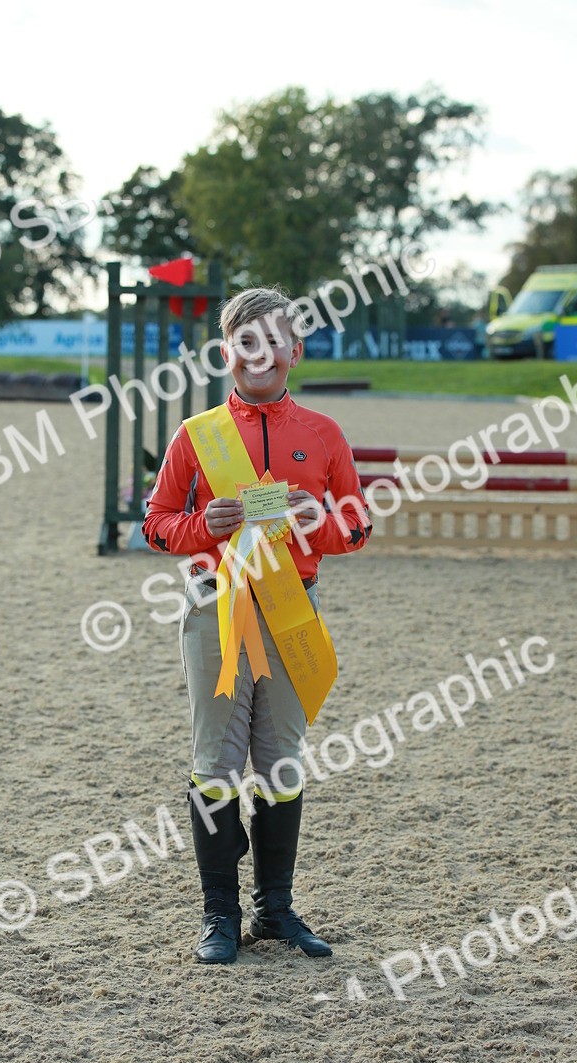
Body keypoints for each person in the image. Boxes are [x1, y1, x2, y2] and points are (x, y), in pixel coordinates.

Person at [142, 286, 372, 965]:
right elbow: (155, 525)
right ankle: (220, 915)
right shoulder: (196, 435)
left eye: (273, 341)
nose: (259, 354)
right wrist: (197, 526)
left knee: (280, 764)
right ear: (226, 354)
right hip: (217, 608)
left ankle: (276, 911)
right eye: (245, 342)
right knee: (215, 766)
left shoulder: (325, 435)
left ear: (294, 351)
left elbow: (358, 526)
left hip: (293, 609)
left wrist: (316, 522)